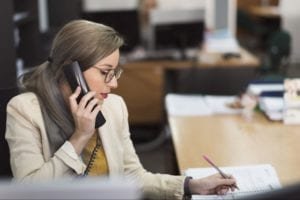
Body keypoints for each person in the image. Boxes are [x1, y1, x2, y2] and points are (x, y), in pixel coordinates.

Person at [5, 20, 236, 199]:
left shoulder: (114, 107)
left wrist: (190, 185)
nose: (114, 84)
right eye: (105, 72)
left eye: (115, 72)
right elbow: (29, 192)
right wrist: (80, 136)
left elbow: (132, 176)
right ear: (71, 70)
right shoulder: (25, 110)